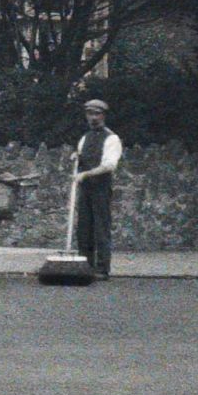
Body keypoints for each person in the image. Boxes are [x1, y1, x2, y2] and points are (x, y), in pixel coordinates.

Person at [73, 98, 122, 279]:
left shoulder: (112, 139)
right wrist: (76, 156)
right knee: (84, 228)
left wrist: (86, 174)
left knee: (101, 227)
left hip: (101, 188)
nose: (93, 118)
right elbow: (82, 155)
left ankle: (102, 269)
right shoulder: (85, 138)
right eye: (90, 113)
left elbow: (109, 165)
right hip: (85, 189)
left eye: (97, 114)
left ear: (103, 115)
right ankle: (85, 266)